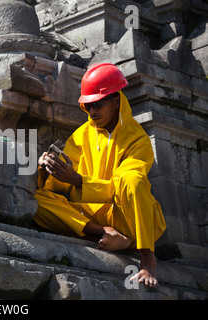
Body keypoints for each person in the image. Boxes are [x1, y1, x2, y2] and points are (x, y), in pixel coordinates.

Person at [33, 63, 166, 288]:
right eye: (88, 106)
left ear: (116, 101)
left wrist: (78, 180)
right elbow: (59, 188)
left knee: (132, 180)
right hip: (93, 217)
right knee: (38, 201)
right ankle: (105, 234)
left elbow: (121, 187)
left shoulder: (138, 140)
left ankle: (147, 258)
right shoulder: (80, 136)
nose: (93, 111)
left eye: (98, 104)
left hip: (126, 215)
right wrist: (48, 169)